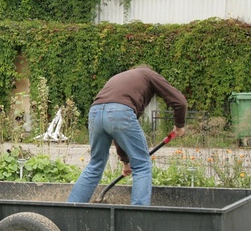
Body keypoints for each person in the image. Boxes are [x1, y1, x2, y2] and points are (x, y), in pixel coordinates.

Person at [68, 65, 187, 206]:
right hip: (121, 111)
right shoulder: (149, 74)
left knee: (95, 163)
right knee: (142, 164)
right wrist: (179, 125)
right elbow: (180, 102)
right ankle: (138, 216)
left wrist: (126, 162)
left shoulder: (120, 78)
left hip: (95, 111)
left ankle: (71, 208)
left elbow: (118, 131)